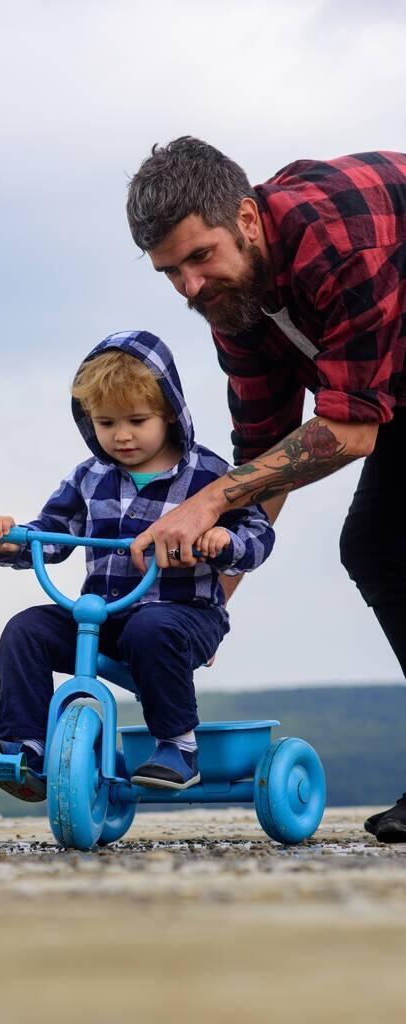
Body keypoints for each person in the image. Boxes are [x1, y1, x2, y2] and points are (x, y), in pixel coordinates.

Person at [126, 137, 406, 842]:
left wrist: (209, 502)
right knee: (378, 548)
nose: (189, 286)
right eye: (169, 273)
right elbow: (263, 454)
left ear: (247, 219)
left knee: (381, 542)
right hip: (391, 388)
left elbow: (346, 430)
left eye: (199, 257)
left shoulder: (335, 240)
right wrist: (207, 606)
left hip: (375, 399)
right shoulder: (235, 304)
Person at [0, 331, 274, 801]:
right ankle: (29, 748)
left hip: (186, 614)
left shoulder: (209, 475)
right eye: (106, 423)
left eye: (137, 420)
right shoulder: (89, 476)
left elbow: (259, 534)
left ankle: (177, 746)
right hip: (104, 613)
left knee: (152, 627)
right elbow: (52, 533)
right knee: (26, 630)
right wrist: (11, 541)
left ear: (169, 411)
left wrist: (223, 539)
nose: (121, 436)